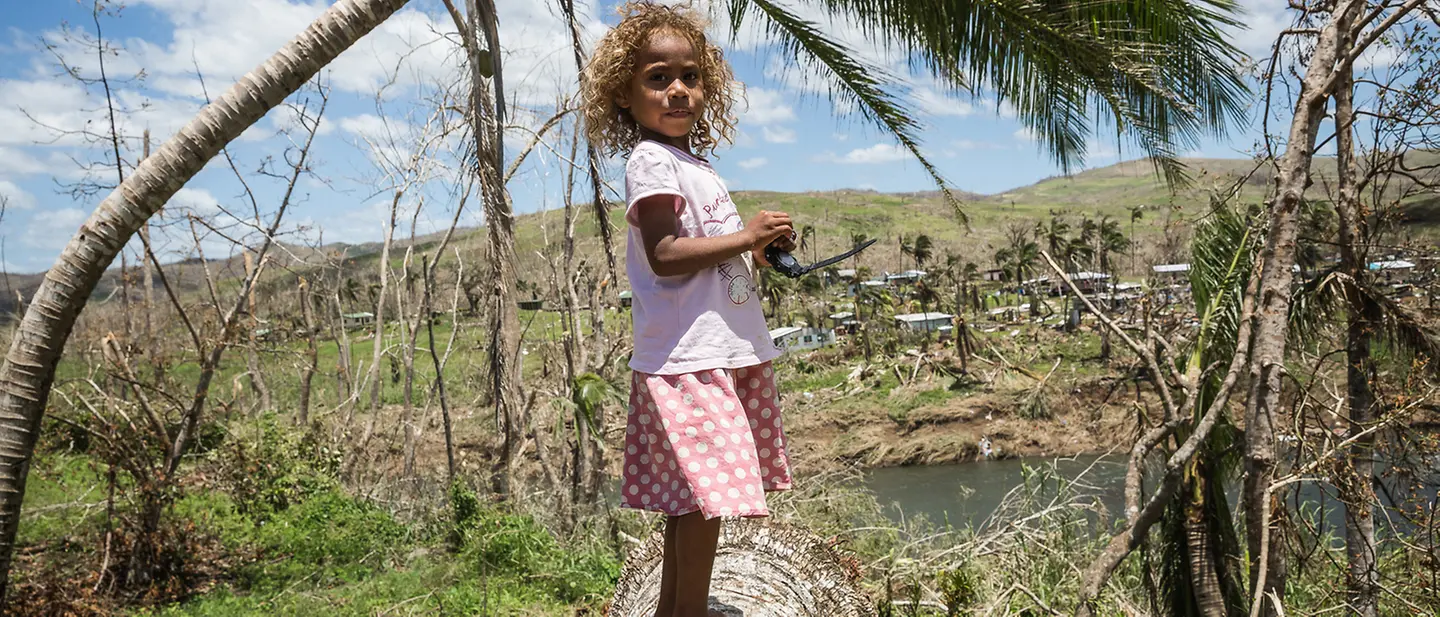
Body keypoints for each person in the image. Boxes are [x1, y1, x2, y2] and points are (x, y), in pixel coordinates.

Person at [582, 3, 797, 616]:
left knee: (690, 501)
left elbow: (704, 260)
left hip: (714, 352)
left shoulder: (693, 166)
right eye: (657, 78)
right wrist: (745, 236)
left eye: (691, 77)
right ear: (624, 94)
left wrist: (756, 252)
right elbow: (666, 255)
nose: (677, 90)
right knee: (710, 500)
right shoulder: (650, 160)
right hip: (689, 360)